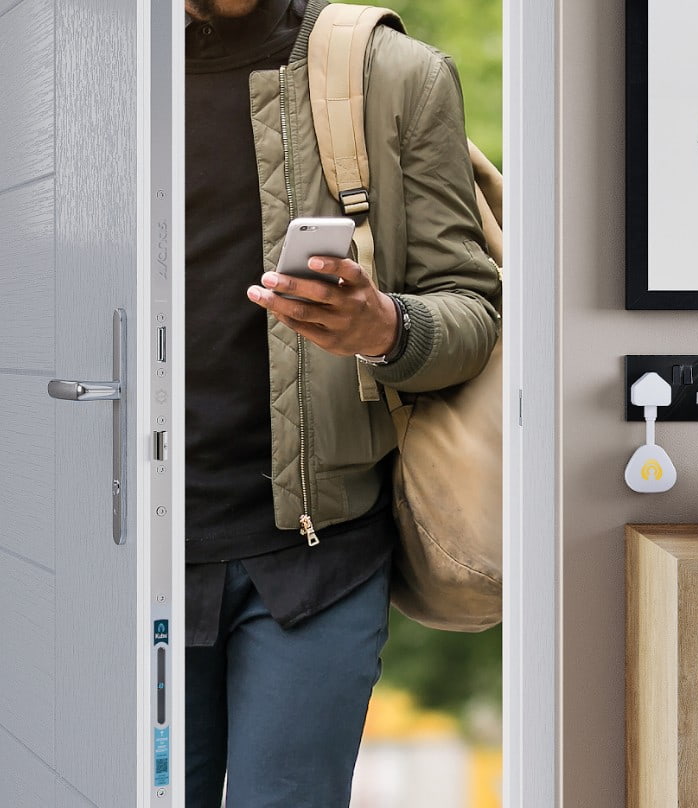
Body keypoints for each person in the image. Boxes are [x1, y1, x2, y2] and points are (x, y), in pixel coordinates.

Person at [184, 0, 501, 805]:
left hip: (317, 560)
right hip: (120, 557)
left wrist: (386, 327)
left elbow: (472, 308)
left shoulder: (390, 74)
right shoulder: (79, 75)